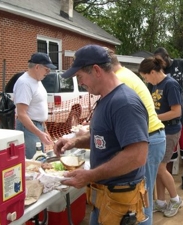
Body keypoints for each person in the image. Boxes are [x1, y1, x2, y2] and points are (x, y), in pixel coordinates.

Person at [53, 44, 149, 225]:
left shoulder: (124, 103)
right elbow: (104, 140)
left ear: (96, 70)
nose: (80, 83)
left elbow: (137, 156)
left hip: (119, 202)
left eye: (80, 76)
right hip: (107, 199)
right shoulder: (107, 98)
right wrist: (73, 142)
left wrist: (89, 175)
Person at [108, 49, 166, 225]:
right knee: (144, 193)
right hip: (151, 137)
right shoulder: (124, 74)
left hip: (149, 139)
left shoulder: (120, 79)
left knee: (142, 195)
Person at [139, 56, 183, 218]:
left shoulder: (171, 85)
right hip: (158, 130)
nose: (145, 80)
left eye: (145, 76)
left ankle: (176, 199)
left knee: (159, 168)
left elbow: (176, 111)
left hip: (170, 130)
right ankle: (160, 202)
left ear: (153, 71)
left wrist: (154, 118)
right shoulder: (154, 85)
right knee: (157, 167)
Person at [153, 47, 183, 190]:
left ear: (167, 57)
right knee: (169, 149)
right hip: (167, 119)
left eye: (160, 61)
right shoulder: (156, 72)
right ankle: (166, 175)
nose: (159, 64)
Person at [14, 52, 56, 159]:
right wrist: (39, 133)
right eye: (47, 69)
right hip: (28, 129)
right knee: (34, 163)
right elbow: (21, 114)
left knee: (40, 159)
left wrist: (44, 129)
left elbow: (38, 107)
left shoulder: (37, 81)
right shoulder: (24, 83)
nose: (48, 72)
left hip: (37, 127)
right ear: (37, 67)